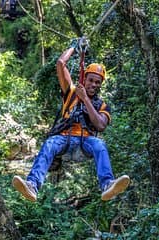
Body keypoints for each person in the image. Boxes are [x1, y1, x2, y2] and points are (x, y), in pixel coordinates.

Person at [12, 39, 130, 202]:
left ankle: (107, 184)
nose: (94, 84)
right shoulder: (71, 92)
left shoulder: (102, 105)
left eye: (98, 82)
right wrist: (74, 47)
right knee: (50, 143)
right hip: (64, 139)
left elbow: (101, 125)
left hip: (85, 142)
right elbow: (61, 64)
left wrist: (86, 100)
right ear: (84, 79)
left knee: (100, 145)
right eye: (90, 80)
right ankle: (32, 184)